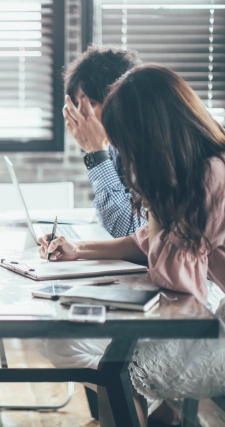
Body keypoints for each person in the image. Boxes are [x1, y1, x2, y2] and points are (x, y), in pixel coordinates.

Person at [40, 65, 225, 426]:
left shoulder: (212, 175)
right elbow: (149, 241)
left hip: (216, 324)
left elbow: (177, 278)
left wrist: (150, 193)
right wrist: (80, 250)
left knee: (106, 362)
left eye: (126, 142)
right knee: (77, 347)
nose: (124, 153)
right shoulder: (199, 164)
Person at [63, 46, 147, 237]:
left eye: (91, 103)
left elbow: (131, 233)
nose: (82, 115)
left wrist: (96, 154)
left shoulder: (148, 147)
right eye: (76, 105)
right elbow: (108, 219)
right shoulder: (116, 146)